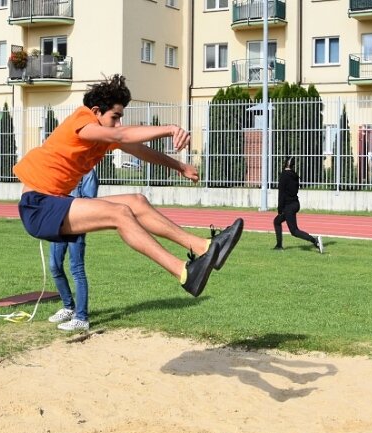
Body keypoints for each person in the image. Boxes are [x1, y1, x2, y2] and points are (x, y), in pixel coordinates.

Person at [14, 74, 243, 298]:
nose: (118, 123)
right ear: (96, 112)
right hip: (38, 206)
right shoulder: (81, 119)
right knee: (119, 213)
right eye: (115, 117)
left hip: (57, 201)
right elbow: (123, 135)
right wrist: (170, 128)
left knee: (137, 202)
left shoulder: (103, 136)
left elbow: (138, 148)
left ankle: (204, 246)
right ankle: (184, 272)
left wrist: (179, 166)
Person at [48, 169, 98, 332]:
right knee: (54, 266)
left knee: (76, 269)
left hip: (76, 224)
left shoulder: (87, 172)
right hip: (57, 223)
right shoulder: (59, 168)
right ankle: (69, 307)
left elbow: (89, 202)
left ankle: (81, 317)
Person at [272, 156, 323, 253]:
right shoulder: (294, 175)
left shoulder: (284, 175)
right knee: (277, 221)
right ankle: (279, 245)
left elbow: (281, 194)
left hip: (288, 206)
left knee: (294, 231)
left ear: (285, 163)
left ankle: (315, 241)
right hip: (295, 204)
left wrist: (280, 209)